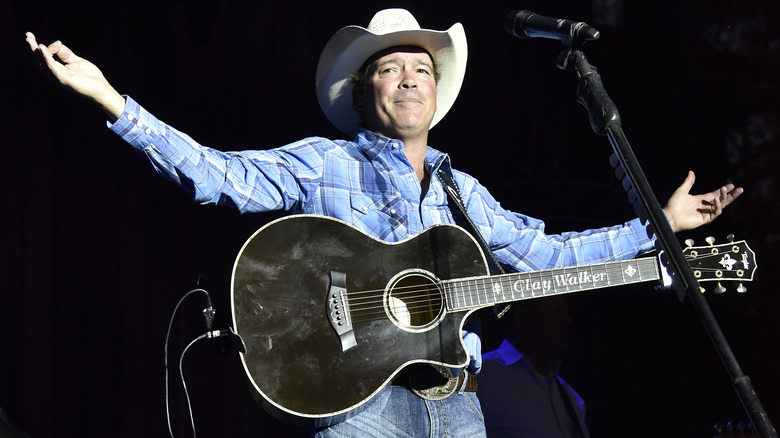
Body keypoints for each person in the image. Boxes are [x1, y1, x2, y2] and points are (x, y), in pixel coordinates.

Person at [25, 8, 742, 438]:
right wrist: (113, 100)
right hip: (358, 407)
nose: (408, 78)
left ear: (436, 90)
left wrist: (660, 230)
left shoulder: (463, 188)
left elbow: (546, 253)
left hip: (460, 409)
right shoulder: (326, 161)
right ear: (365, 89)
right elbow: (221, 176)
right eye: (390, 68)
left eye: (421, 69)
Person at [478, 296, 589, 438]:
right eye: (557, 312)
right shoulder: (484, 375)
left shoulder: (571, 397)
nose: (567, 320)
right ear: (524, 317)